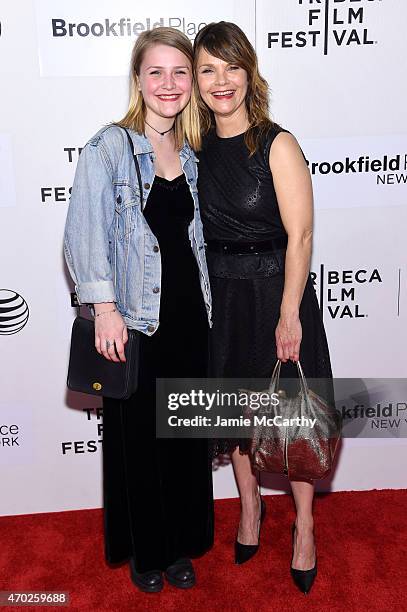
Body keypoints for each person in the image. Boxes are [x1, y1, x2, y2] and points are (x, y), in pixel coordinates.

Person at [64, 27, 214, 594]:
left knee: (182, 439)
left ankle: (180, 544)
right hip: (135, 319)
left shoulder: (194, 153)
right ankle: (146, 552)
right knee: (140, 442)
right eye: (157, 72)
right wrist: (103, 307)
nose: (169, 84)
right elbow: (83, 233)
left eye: (180, 72)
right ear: (138, 80)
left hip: (190, 319)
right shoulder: (109, 147)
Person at [193, 21, 333, 594]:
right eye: (207, 69)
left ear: (249, 71)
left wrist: (290, 312)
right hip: (224, 300)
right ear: (197, 80)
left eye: (230, 66)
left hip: (278, 293)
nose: (220, 80)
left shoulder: (277, 142)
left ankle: (305, 528)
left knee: (295, 419)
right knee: (237, 413)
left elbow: (300, 236)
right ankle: (251, 508)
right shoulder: (195, 148)